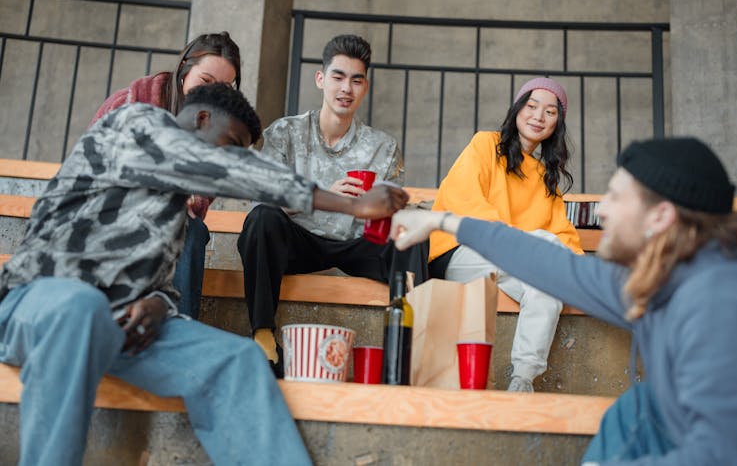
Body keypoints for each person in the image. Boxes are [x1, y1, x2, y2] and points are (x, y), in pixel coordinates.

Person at [0, 82, 407, 466]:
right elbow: (220, 167)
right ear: (199, 121)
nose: (230, 162)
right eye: (231, 147)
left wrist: (158, 306)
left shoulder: (173, 211)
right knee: (81, 305)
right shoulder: (133, 124)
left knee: (240, 358)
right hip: (35, 307)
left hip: (117, 330)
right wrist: (351, 205)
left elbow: (163, 287)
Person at [391, 137, 737, 464]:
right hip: (671, 427)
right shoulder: (662, 281)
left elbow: (722, 454)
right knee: (638, 408)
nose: (602, 210)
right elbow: (552, 266)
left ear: (660, 217)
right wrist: (444, 221)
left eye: (616, 197)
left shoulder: (717, 303)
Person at [236, 34, 429, 376]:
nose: (346, 88)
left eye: (356, 80)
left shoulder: (382, 146)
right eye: (338, 77)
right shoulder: (285, 133)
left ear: (365, 87)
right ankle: (263, 334)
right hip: (299, 240)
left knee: (414, 236)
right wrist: (324, 195)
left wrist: (384, 207)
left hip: (358, 243)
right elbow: (260, 198)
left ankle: (411, 348)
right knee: (261, 219)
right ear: (321, 79)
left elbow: (391, 215)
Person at [428, 77, 583, 392]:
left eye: (550, 112)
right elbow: (464, 202)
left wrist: (573, 269)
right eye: (531, 106)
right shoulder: (485, 144)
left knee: (550, 284)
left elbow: (564, 238)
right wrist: (522, 245)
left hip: (514, 263)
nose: (538, 117)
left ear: (557, 123)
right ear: (517, 109)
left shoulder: (545, 179)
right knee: (547, 254)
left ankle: (522, 380)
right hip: (460, 249)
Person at [89, 31, 242, 319]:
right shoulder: (130, 103)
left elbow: (202, 198)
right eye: (205, 81)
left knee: (190, 229)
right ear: (184, 70)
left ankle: (180, 332)